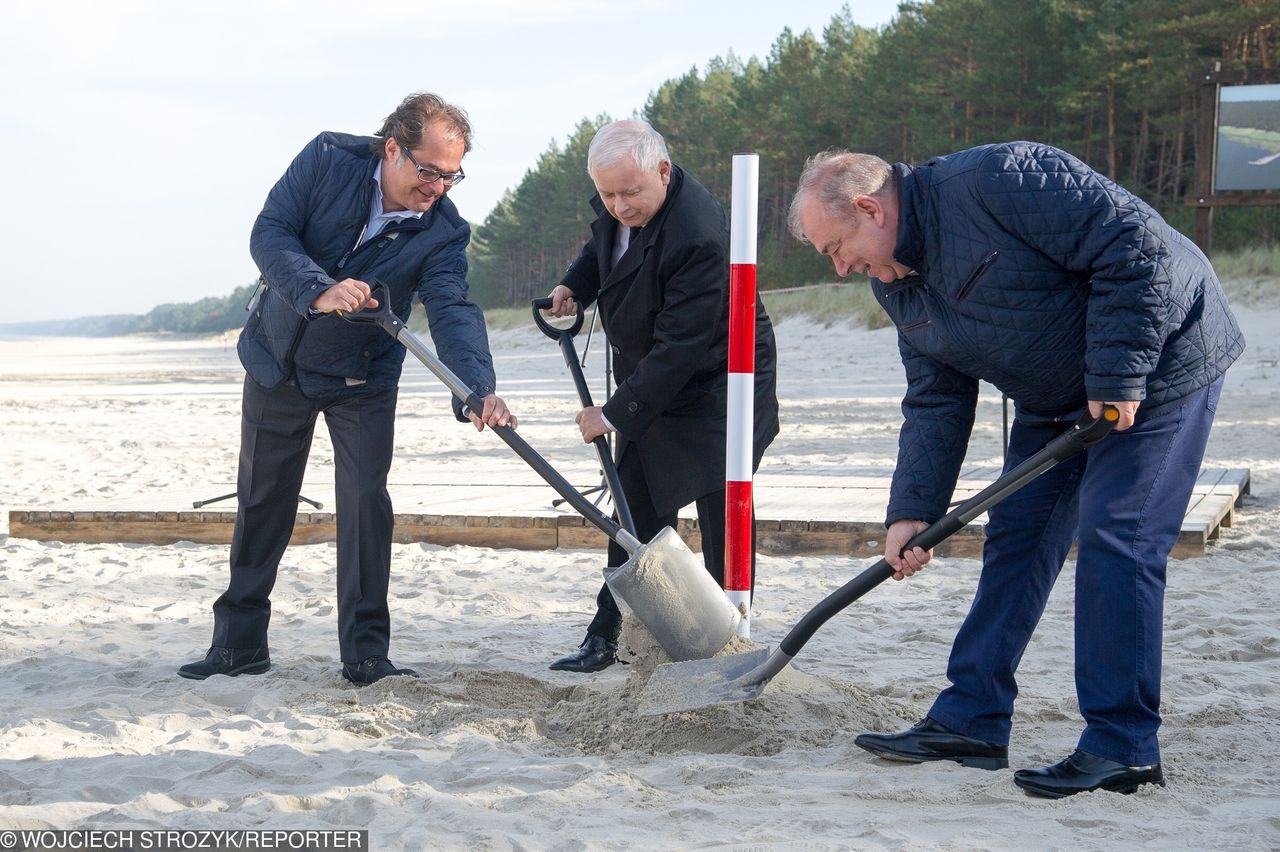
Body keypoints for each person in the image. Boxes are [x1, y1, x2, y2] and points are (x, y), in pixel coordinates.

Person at [789, 142, 1243, 798]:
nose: (838, 268)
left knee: (1119, 537)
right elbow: (936, 398)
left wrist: (1118, 374)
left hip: (1162, 360)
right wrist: (912, 510)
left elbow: (1133, 244)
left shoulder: (999, 180)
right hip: (1055, 393)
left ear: (869, 209)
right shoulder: (893, 283)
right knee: (1017, 538)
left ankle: (1123, 746)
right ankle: (972, 717)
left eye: (835, 248)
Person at [180, 92, 515, 686]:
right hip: (277, 359)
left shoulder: (444, 232)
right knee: (262, 502)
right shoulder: (327, 158)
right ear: (392, 148)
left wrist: (477, 387)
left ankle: (365, 657)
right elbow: (271, 232)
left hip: (362, 377)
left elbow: (453, 309)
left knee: (365, 508)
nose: (438, 186)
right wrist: (319, 287)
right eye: (429, 171)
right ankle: (238, 645)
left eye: (451, 175)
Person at [543, 120, 780, 673]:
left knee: (722, 509)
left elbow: (682, 347)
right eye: (608, 195)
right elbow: (604, 245)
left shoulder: (699, 233)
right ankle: (609, 636)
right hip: (655, 380)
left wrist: (614, 412)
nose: (619, 206)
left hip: (719, 386)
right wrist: (573, 285)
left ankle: (728, 640)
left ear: (663, 172)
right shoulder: (621, 198)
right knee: (636, 508)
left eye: (631, 193)